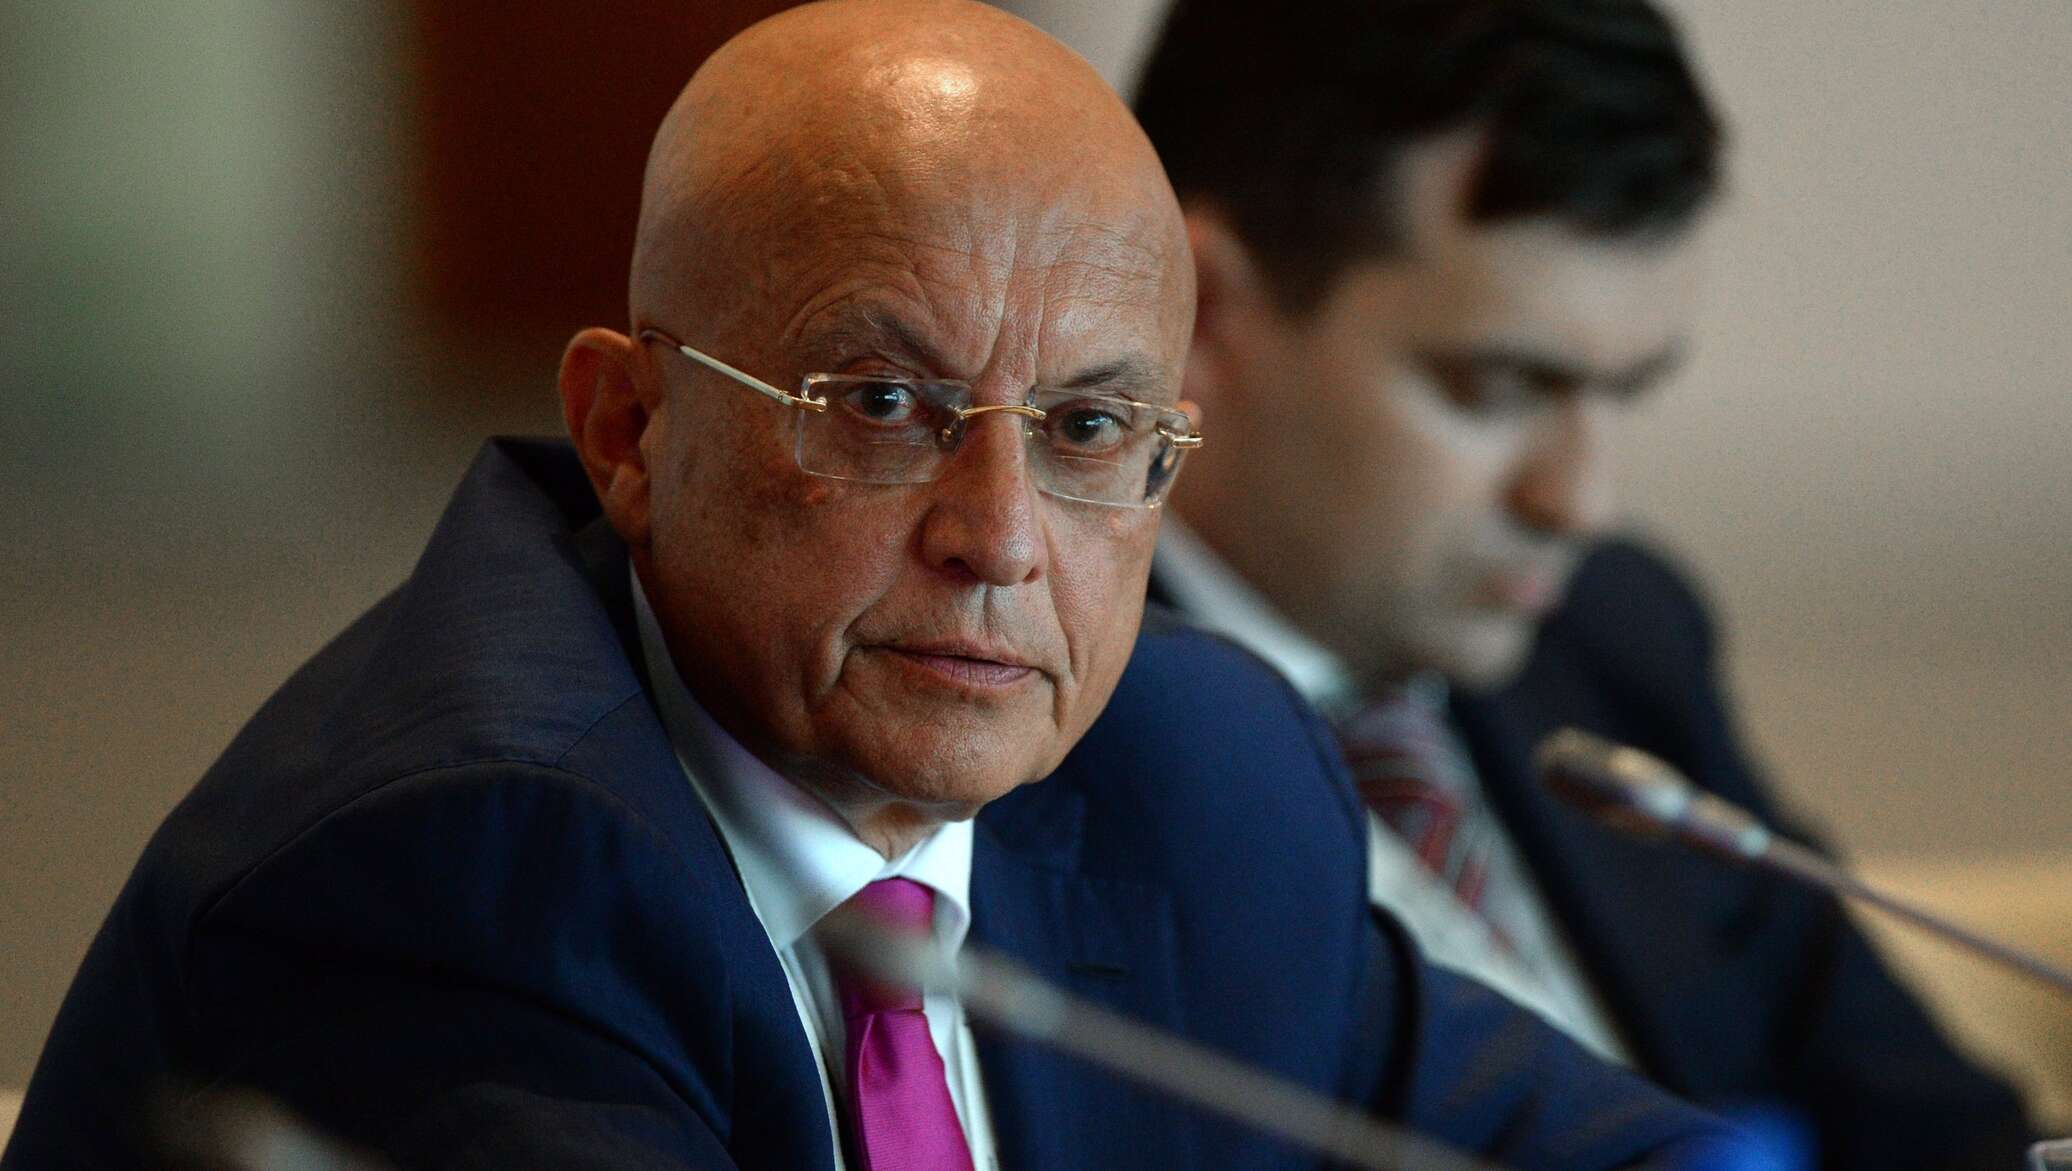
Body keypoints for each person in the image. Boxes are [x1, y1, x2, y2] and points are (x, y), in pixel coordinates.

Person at [1, 3, 1737, 1170]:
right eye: (886, 406)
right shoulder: (467, 870)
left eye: (1089, 426)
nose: (1001, 536)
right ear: (628, 429)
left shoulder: (1195, 772)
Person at [1130, 2, 2033, 1168]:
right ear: (1199, 307)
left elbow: (1937, 1133)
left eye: (1623, 392)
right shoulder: (1033, 727)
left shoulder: (1609, 637)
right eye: (1499, 387)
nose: (1578, 500)